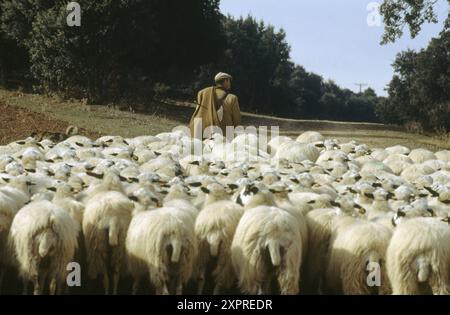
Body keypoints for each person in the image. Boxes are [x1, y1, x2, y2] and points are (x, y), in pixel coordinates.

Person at [189, 72, 241, 138]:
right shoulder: (232, 98)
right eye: (229, 81)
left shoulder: (202, 93)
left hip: (201, 132)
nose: (230, 83)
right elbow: (237, 119)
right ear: (225, 81)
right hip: (223, 136)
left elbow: (198, 111)